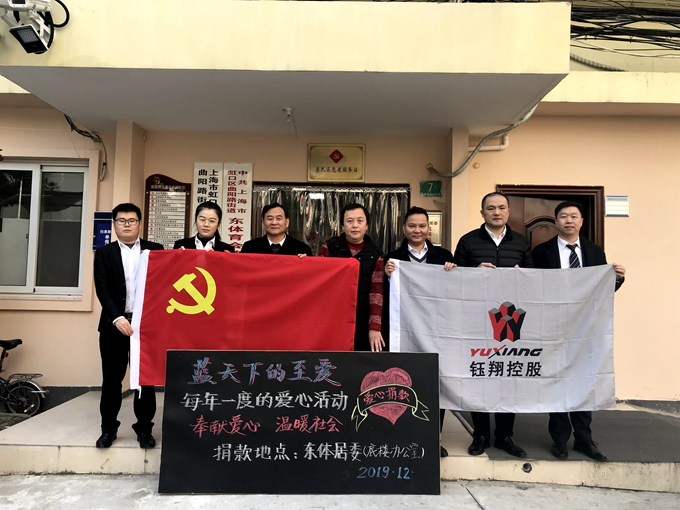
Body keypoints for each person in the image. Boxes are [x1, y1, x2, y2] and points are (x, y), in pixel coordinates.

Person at [532, 200, 625, 462]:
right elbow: (533, 288)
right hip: (553, 326)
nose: (569, 220)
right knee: (557, 380)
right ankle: (560, 439)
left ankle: (584, 439)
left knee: (584, 381)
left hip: (586, 328)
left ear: (581, 222)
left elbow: (602, 291)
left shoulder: (594, 252)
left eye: (574, 216)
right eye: (563, 216)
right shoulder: (541, 252)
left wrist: (617, 279)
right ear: (556, 221)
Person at [453, 192, 533, 458]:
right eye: (490, 208)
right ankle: (480, 434)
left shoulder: (521, 241)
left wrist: (523, 275)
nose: (496, 212)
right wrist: (474, 273)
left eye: (501, 208)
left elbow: (535, 279)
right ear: (482, 213)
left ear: (508, 211)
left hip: (511, 319)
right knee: (480, 377)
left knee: (507, 376)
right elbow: (454, 280)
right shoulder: (468, 241)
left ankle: (505, 435)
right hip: (478, 319)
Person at [384, 206, 456, 457]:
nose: (417, 230)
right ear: (404, 229)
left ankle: (433, 438)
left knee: (434, 384)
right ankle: (404, 437)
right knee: (404, 384)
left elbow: (454, 292)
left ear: (429, 228)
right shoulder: (392, 258)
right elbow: (383, 296)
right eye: (412, 226)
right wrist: (387, 276)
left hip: (437, 332)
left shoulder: (444, 256)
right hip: (406, 331)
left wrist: (453, 271)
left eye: (422, 226)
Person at [93, 203, 164, 449]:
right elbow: (102, 289)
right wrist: (117, 318)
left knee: (145, 381)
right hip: (114, 326)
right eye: (121, 220)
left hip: (145, 327)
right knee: (112, 381)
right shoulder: (104, 253)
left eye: (132, 220)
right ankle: (108, 429)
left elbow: (164, 285)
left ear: (140, 224)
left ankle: (144, 429)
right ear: (114, 224)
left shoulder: (155, 250)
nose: (126, 224)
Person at [318, 203, 385, 352]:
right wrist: (304, 263)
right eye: (350, 221)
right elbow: (317, 281)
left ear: (366, 225)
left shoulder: (376, 255)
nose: (355, 225)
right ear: (342, 226)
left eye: (360, 221)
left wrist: (374, 327)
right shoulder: (329, 248)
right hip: (332, 320)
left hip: (362, 322)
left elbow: (376, 293)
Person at [240, 202, 312, 256]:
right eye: (270, 219)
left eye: (278, 218)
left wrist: (305, 262)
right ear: (263, 223)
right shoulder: (249, 247)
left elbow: (310, 270)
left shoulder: (302, 249)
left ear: (287, 222)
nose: (274, 223)